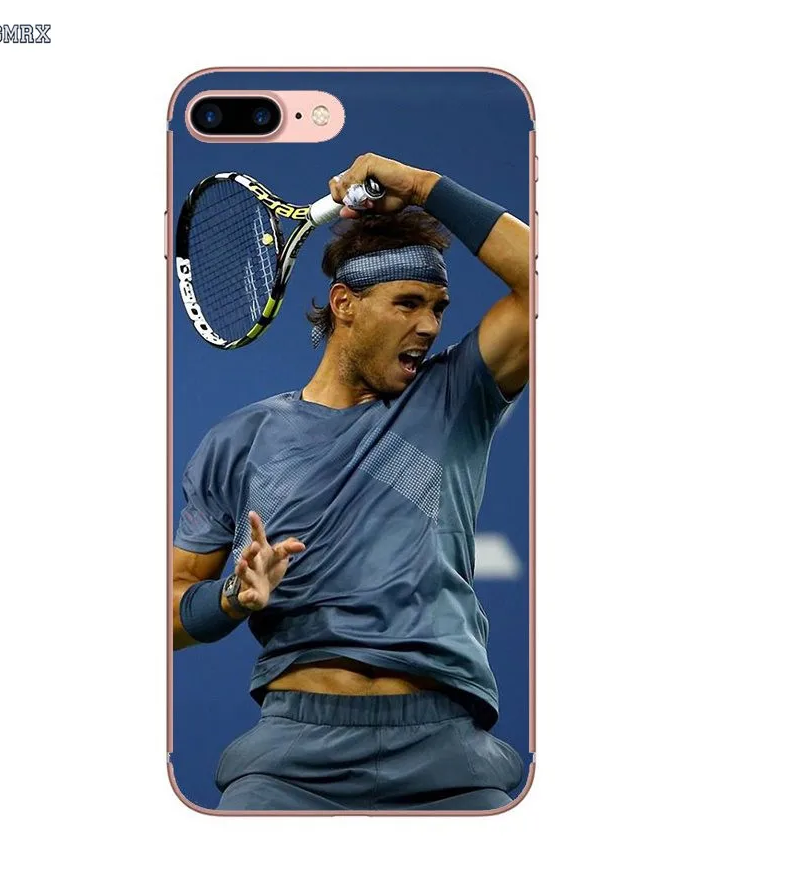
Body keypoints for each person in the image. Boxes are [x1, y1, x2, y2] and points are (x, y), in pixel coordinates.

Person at [172, 153, 530, 811]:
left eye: (439, 308)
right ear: (345, 305)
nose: (430, 325)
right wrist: (231, 598)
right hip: (291, 761)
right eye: (408, 303)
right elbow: (169, 610)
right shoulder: (240, 441)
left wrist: (423, 186)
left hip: (447, 754)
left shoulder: (457, 396)